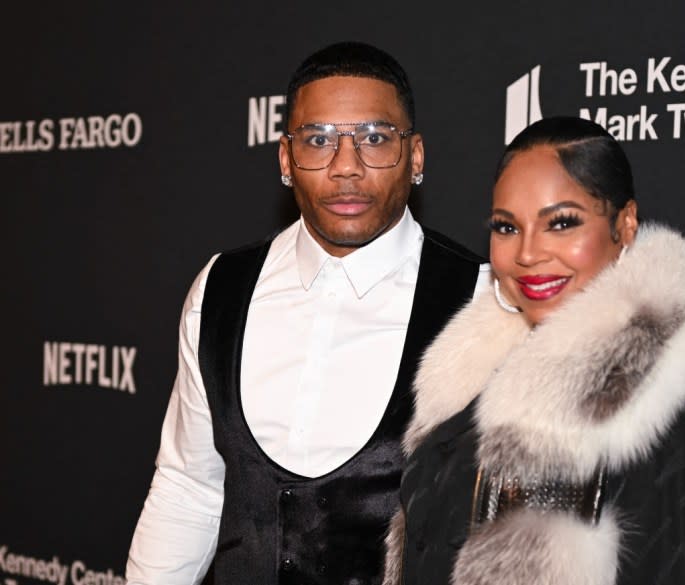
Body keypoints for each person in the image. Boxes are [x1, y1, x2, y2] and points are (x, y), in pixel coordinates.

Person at [126, 41, 490, 585]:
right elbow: (189, 487)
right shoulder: (220, 288)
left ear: (415, 156)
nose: (346, 167)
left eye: (374, 138)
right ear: (285, 158)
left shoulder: (480, 300)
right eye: (319, 140)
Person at [382, 116, 685, 585]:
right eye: (507, 228)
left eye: (561, 223)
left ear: (624, 225)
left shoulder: (669, 399)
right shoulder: (476, 371)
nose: (527, 253)